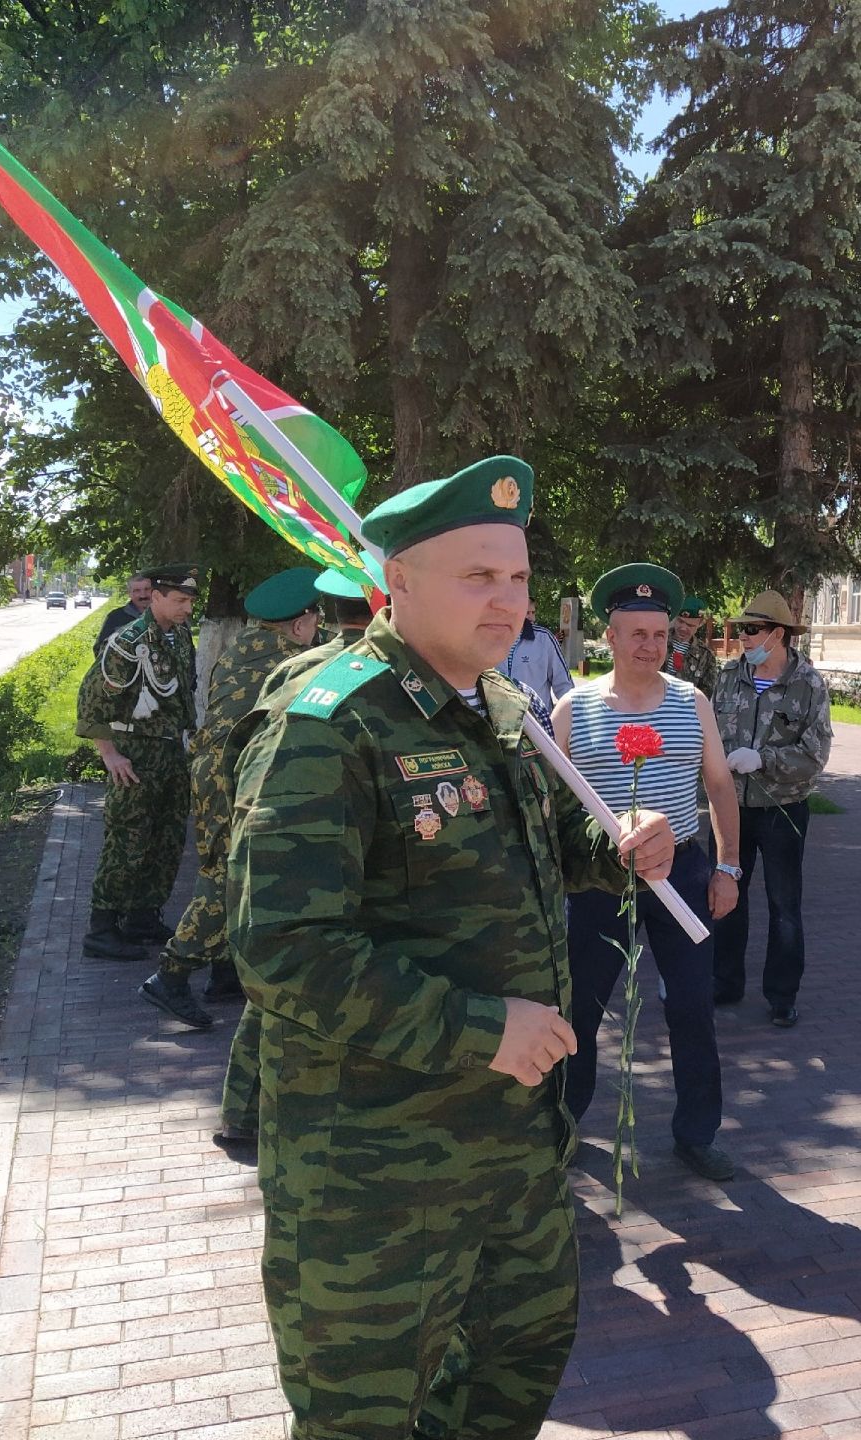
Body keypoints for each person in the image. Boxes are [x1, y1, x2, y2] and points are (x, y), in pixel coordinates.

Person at [227, 456, 675, 1440]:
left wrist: (620, 841)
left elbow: (549, 844)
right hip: (374, 1172)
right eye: (479, 577)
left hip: (508, 1149)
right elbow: (282, 949)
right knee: (367, 1418)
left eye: (516, 579)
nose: (508, 601)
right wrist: (479, 1029)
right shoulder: (331, 724)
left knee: (513, 1374)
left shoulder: (498, 710)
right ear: (401, 582)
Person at [553, 563, 742, 1182]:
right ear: (608, 637)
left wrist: (727, 868)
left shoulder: (694, 703)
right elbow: (555, 807)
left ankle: (696, 1134)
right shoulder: (572, 709)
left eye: (660, 634)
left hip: (683, 877)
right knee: (579, 1010)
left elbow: (718, 787)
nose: (651, 646)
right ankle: (563, 1126)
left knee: (692, 1007)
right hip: (598, 884)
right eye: (637, 634)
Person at [217, 567, 376, 1160]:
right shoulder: (365, 679)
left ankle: (239, 1111)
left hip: (257, 834)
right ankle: (255, 1112)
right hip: (317, 855)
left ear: (328, 611)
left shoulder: (294, 666)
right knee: (294, 993)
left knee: (268, 995)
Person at [140, 567, 325, 1034]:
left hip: (209, 772)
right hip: (231, 778)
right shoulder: (292, 661)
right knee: (227, 878)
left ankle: (226, 973)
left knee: (223, 867)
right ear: (300, 625)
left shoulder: (243, 647)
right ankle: (171, 974)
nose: (318, 631)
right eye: (316, 623)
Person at [710, 589, 833, 1027]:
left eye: (752, 629)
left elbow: (816, 754)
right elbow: (708, 736)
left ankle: (782, 996)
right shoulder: (728, 676)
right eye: (741, 629)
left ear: (778, 634)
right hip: (730, 810)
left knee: (784, 905)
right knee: (726, 897)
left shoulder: (808, 684)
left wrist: (764, 760)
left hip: (782, 809)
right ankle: (723, 983)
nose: (743, 637)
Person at [77, 564, 198, 962]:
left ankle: (143, 917)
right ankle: (103, 928)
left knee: (167, 840)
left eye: (190, 601)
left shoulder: (179, 636)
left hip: (169, 752)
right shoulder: (128, 642)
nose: (185, 609)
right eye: (179, 600)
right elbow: (92, 700)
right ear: (156, 597)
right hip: (136, 755)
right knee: (127, 841)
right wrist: (109, 755)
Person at [502, 598, 574, 728]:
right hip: (499, 725)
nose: (531, 618)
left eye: (533, 612)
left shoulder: (544, 639)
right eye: (527, 612)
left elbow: (564, 686)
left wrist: (571, 723)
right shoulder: (491, 639)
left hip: (538, 726)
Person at [665, 595, 720, 696]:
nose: (683, 628)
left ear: (699, 625)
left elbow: (707, 693)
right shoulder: (659, 641)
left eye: (690, 625)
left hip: (685, 709)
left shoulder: (705, 655)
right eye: (680, 621)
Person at [95, 571, 152, 655]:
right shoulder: (114, 618)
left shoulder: (166, 615)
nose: (143, 595)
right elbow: (100, 650)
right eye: (137, 591)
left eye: (147, 589)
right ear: (129, 593)